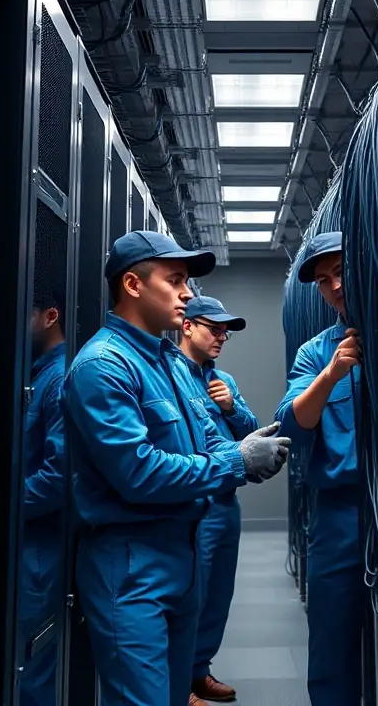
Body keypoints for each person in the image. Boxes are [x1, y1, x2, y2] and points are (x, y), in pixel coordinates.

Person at [62, 231, 291, 706]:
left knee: (173, 695)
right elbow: (139, 472)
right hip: (131, 569)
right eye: (176, 279)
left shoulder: (170, 363)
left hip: (181, 561)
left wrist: (238, 448)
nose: (188, 292)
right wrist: (236, 461)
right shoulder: (103, 367)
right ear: (132, 284)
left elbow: (208, 437)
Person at [275, 231, 366, 706]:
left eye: (340, 271)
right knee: (332, 644)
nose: (333, 286)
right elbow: (295, 424)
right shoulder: (316, 352)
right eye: (323, 280)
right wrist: (330, 375)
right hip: (340, 515)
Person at [179, 296, 258, 705]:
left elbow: (253, 431)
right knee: (191, 595)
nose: (222, 337)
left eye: (226, 331)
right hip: (196, 502)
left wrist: (230, 407)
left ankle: (199, 671)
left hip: (226, 502)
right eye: (214, 328)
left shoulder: (222, 379)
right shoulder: (170, 373)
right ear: (188, 326)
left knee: (217, 596)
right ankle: (179, 687)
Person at [20, 289, 66, 706]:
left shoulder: (59, 377)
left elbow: (57, 478)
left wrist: (4, 503)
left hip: (39, 547)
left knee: (33, 667)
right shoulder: (34, 371)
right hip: (29, 544)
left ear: (50, 316)